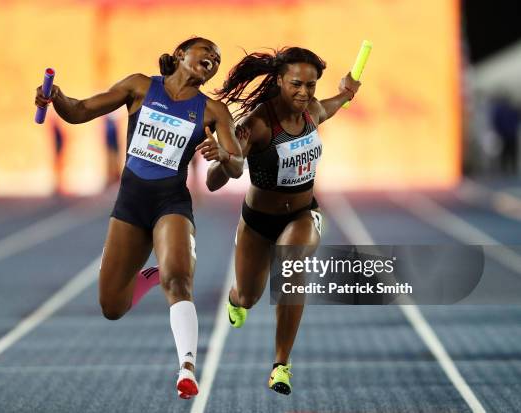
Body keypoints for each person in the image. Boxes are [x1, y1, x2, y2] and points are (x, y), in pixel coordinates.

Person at [34, 37, 243, 399]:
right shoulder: (140, 86)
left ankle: (187, 367)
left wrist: (223, 154)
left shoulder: (213, 111)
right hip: (130, 204)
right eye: (205, 51)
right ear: (181, 55)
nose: (211, 58)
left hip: (171, 202)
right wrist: (57, 99)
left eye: (217, 59)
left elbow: (238, 164)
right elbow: (80, 110)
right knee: (112, 307)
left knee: (179, 279)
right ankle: (152, 273)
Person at [207, 47, 361, 395]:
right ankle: (237, 299)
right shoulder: (256, 126)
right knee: (249, 296)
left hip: (303, 214)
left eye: (311, 85)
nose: (304, 94)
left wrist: (348, 92)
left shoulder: (313, 112)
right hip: (258, 222)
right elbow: (215, 181)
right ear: (278, 81)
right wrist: (224, 158)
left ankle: (281, 365)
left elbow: (333, 105)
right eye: (296, 85)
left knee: (293, 261)